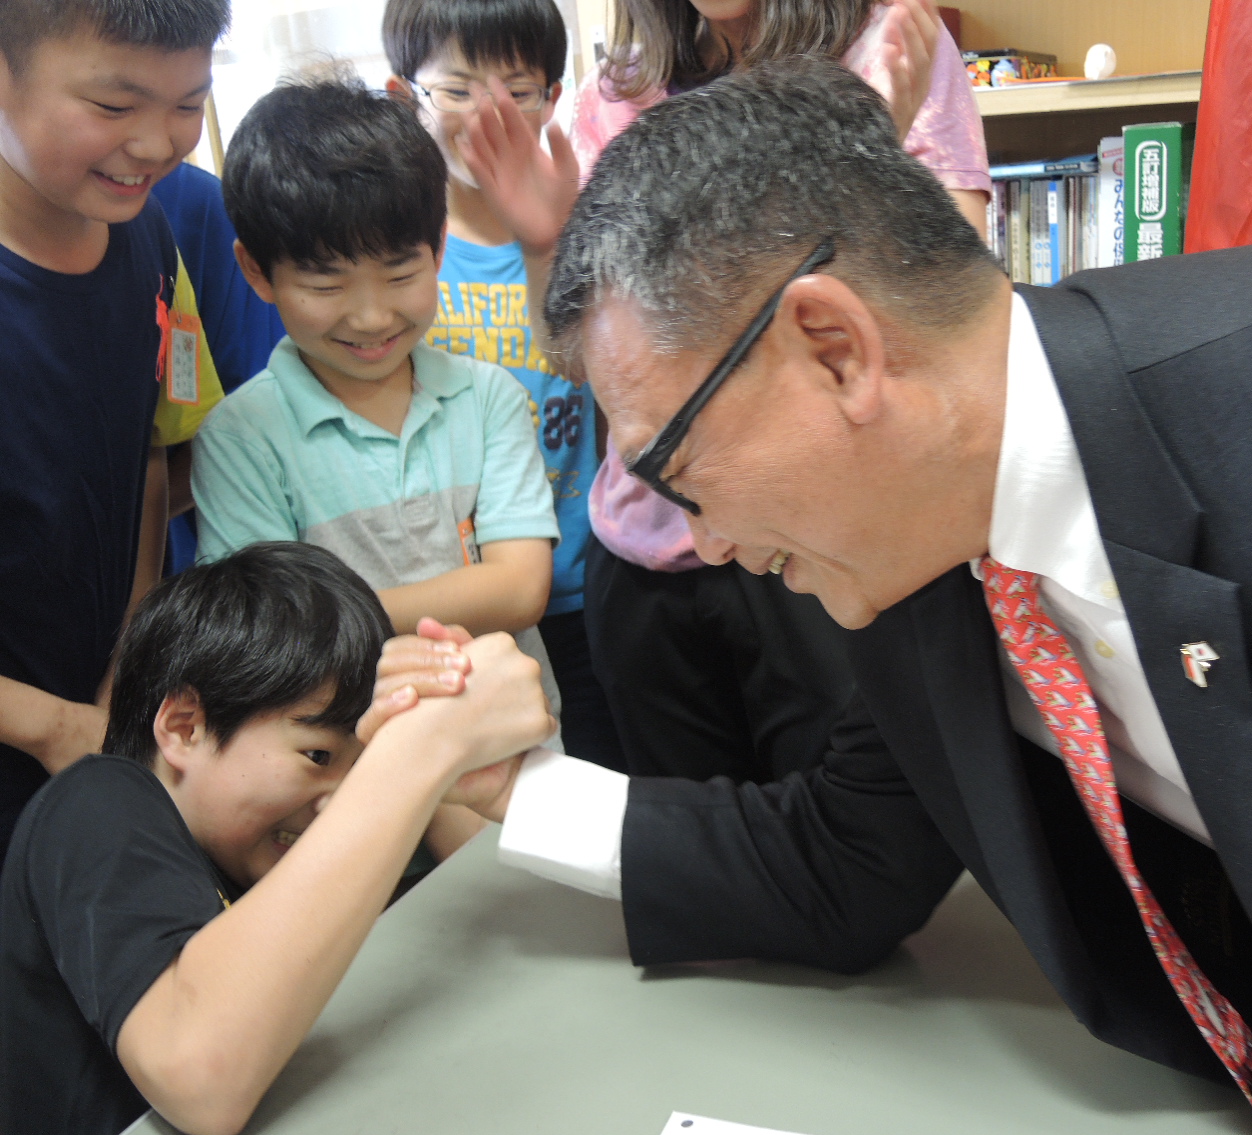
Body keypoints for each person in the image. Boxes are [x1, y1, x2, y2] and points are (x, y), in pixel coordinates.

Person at [385, 60, 1252, 1135]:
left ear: (834, 348)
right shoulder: (917, 566)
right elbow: (840, 860)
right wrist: (514, 788)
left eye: (679, 473)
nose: (697, 543)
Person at [458, 0, 985, 783]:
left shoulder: (889, 41)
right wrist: (544, 244)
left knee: (841, 836)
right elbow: (584, 362)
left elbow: (949, 313)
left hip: (813, 554)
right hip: (646, 557)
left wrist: (865, 170)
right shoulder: (619, 91)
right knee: (694, 851)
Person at [0, 542, 552, 1135]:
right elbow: (201, 1077)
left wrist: (451, 750)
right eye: (317, 754)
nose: (342, 798)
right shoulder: (99, 805)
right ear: (183, 725)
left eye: (362, 763)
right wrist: (412, 758)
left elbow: (496, 890)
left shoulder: (263, 848)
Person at [192, 77, 562, 862]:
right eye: (326, 283)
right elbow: (271, 634)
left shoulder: (486, 397)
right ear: (257, 272)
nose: (370, 316)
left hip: (512, 750)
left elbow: (521, 585)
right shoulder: (243, 434)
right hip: (343, 783)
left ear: (437, 249)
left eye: (399, 275)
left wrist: (346, 618)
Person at [0, 0, 229, 864]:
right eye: (113, 106)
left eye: (186, 103)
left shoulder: (150, 239)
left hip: (96, 722)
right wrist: (51, 726)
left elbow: (147, 453)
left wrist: (129, 648)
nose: (157, 143)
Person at [381, 0, 624, 770]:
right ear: (402, 97)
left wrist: (544, 242)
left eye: (516, 90)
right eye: (455, 89)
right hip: (445, 608)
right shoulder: (387, 263)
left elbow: (605, 378)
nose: (487, 114)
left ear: (556, 98)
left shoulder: (588, 227)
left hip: (586, 589)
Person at [152, 160, 287, 572]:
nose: (153, 144)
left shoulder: (191, 206)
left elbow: (242, 419)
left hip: (179, 564)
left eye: (188, 106)